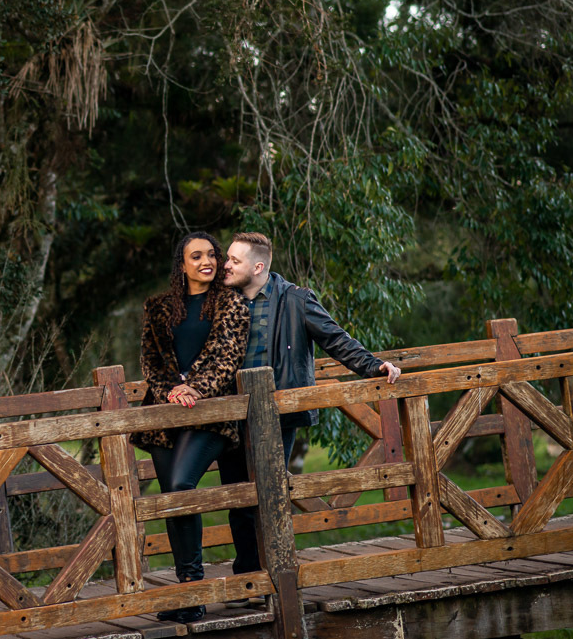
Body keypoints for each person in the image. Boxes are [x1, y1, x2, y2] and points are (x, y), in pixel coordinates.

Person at [217, 231, 401, 589]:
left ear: (258, 267)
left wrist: (373, 365)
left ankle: (276, 577)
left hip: (276, 415)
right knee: (238, 500)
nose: (226, 265)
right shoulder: (222, 302)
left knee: (270, 495)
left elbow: (335, 339)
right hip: (230, 416)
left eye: (234, 260)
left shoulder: (296, 300)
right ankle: (248, 578)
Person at [131, 231, 251, 624]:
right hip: (165, 416)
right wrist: (171, 391)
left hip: (211, 412)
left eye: (212, 254)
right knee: (172, 496)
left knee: (182, 486)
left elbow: (228, 357)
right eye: (196, 256)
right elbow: (151, 361)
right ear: (181, 265)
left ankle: (195, 590)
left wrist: (194, 389)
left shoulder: (232, 303)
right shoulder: (158, 307)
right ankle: (189, 594)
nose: (207, 261)